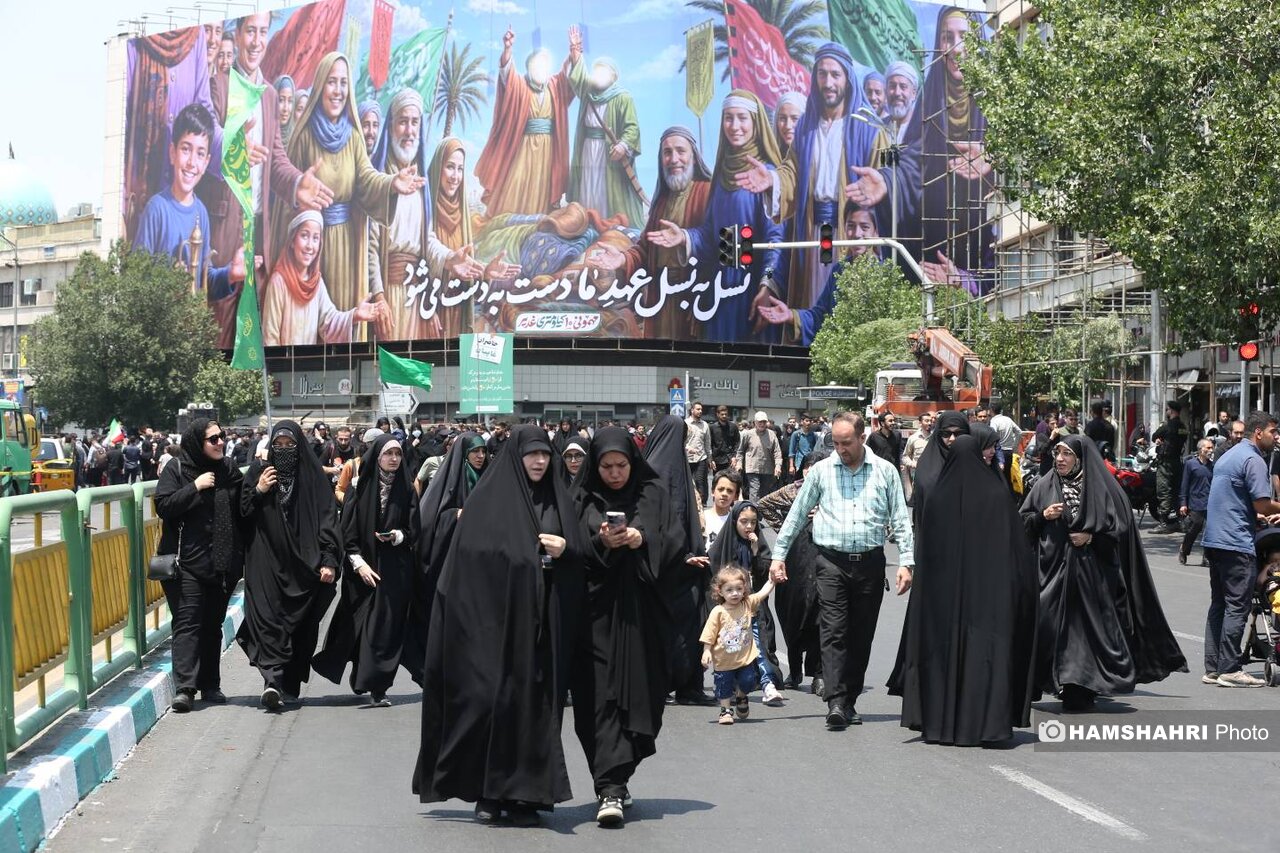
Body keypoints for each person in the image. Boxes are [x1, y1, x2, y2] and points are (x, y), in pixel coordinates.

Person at [413, 426, 584, 826]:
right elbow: (466, 561)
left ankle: (525, 796)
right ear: (515, 457)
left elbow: (581, 555)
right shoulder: (487, 500)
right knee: (488, 705)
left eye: (545, 454)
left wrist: (566, 549)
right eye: (532, 454)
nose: (539, 461)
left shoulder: (559, 499)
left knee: (531, 711)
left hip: (540, 629)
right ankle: (487, 792)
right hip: (489, 627)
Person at [888, 433, 1036, 744]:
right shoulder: (996, 494)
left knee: (943, 660)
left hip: (943, 605)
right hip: (989, 602)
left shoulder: (938, 498)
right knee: (985, 659)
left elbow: (927, 556)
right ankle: (986, 726)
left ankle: (939, 724)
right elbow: (1017, 553)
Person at [769, 412, 914, 729]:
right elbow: (797, 514)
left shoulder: (885, 471)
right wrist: (779, 555)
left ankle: (849, 700)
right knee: (833, 631)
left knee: (861, 636)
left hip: (870, 565)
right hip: (831, 563)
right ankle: (835, 701)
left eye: (846, 442)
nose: (840, 449)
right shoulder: (822, 471)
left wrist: (906, 561)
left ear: (862, 438)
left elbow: (901, 519)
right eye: (835, 442)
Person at [1020, 435, 1187, 710]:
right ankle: (1050, 680)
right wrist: (1043, 516)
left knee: (1084, 636)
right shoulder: (1044, 485)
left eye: (1067, 454)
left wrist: (1091, 537)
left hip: (1092, 579)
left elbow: (1120, 529)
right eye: (1057, 453)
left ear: (1081, 459)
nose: (1060, 459)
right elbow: (1024, 522)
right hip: (1051, 575)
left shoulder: (1101, 488)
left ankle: (1079, 687)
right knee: (1047, 630)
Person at [571, 427, 682, 827]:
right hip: (594, 617)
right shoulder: (580, 498)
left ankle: (619, 776)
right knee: (598, 698)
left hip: (642, 616)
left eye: (621, 465)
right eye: (606, 467)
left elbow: (675, 542)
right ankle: (610, 786)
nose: (615, 474)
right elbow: (570, 550)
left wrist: (641, 539)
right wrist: (601, 543)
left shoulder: (653, 494)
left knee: (643, 695)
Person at [276, 52, 424, 320]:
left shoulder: (354, 138)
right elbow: (286, 197)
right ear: (320, 85)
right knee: (309, 320)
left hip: (346, 246)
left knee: (344, 319)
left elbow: (367, 178)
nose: (338, 91)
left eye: (343, 83)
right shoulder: (303, 137)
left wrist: (392, 183)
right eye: (332, 82)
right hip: (310, 245)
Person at [645, 90, 785, 343]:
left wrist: (767, 285)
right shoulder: (721, 176)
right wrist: (684, 237)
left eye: (742, 118)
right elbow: (710, 236)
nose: (734, 126)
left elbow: (775, 239)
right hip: (720, 288)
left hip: (752, 286)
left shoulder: (765, 174)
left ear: (756, 123)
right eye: (728, 118)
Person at [367, 96, 496, 341]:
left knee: (419, 364)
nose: (409, 130)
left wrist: (449, 258)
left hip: (416, 299)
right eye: (403, 122)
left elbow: (427, 240)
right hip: (388, 296)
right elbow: (370, 248)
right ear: (391, 126)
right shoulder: (379, 180)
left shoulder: (420, 186)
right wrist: (379, 297)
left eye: (415, 122)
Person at [237, 420, 342, 710]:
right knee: (267, 618)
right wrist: (259, 490)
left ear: (299, 447)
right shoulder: (260, 472)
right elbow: (243, 513)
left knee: (300, 625)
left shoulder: (312, 477)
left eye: (290, 445)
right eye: (278, 445)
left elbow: (328, 520)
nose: (283, 450)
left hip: (304, 564)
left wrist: (329, 559)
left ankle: (289, 682)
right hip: (265, 560)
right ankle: (272, 680)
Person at [312, 434, 417, 705]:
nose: (394, 459)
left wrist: (397, 536)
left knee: (385, 628)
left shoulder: (407, 489)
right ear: (377, 456)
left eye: (398, 454)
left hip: (394, 569)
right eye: (388, 454)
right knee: (361, 625)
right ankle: (362, 673)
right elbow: (347, 532)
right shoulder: (359, 488)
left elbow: (414, 529)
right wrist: (360, 565)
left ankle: (378, 686)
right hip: (361, 569)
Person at [154, 419, 244, 712]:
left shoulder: (229, 470)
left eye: (222, 436)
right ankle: (185, 688)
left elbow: (243, 508)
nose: (220, 442)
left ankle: (210, 684)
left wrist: (259, 489)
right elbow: (163, 506)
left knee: (212, 625)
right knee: (188, 622)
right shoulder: (178, 469)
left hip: (222, 564)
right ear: (197, 442)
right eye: (213, 439)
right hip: (186, 563)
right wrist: (195, 486)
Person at [132, 103, 244, 303]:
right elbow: (135, 281)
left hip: (190, 322)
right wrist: (169, 285)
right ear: (172, 153)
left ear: (207, 162)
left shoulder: (201, 213)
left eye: (200, 153)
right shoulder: (156, 209)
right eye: (186, 149)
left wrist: (230, 274)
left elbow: (203, 281)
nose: (192, 162)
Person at [1201, 412, 1280, 687]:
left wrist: (1254, 514)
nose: (1276, 437)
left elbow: (1234, 498)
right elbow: (1262, 503)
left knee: (1219, 604)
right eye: (1273, 431)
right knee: (1237, 605)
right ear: (1258, 432)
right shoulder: (1253, 459)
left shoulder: (1229, 455)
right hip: (1235, 542)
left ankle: (1213, 668)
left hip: (1214, 539)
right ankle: (1230, 669)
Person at [475, 26, 584, 217]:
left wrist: (574, 52)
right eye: (536, 65)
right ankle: (509, 218)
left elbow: (570, 78)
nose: (540, 69)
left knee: (543, 186)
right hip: (524, 148)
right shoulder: (520, 85)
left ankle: (538, 220)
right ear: (529, 68)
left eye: (543, 65)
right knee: (517, 183)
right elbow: (507, 76)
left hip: (549, 150)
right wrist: (508, 49)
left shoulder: (555, 86)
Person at [404, 432, 488, 680]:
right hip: (451, 560)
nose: (480, 456)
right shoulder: (450, 479)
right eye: (475, 451)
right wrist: (455, 515)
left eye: (483, 451)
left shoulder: (489, 477)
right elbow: (430, 519)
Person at [643, 415, 712, 705]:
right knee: (682, 625)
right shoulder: (667, 472)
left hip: (665, 566)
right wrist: (684, 555)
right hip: (676, 566)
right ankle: (684, 685)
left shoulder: (650, 469)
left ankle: (670, 684)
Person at [757, 449, 826, 691]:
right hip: (793, 560)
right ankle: (795, 670)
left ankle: (818, 674)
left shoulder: (832, 494)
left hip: (822, 558)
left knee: (820, 614)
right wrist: (787, 527)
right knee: (791, 613)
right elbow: (763, 505)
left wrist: (824, 514)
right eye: (807, 467)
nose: (810, 471)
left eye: (815, 467)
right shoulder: (793, 490)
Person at [262, 210, 387, 344]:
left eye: (315, 238)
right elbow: (270, 336)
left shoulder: (316, 282)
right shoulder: (278, 282)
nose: (310, 246)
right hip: (285, 358)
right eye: (304, 236)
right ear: (292, 241)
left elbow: (329, 322)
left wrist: (355, 315)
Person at [706, 500, 785, 705]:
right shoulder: (723, 545)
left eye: (753, 522)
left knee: (759, 645)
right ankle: (730, 689)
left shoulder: (757, 544)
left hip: (753, 606)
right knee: (731, 649)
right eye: (744, 521)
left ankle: (768, 684)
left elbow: (764, 571)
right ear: (734, 522)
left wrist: (755, 549)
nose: (749, 526)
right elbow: (713, 572)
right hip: (729, 612)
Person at [568, 57, 645, 227]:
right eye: (596, 72)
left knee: (605, 189)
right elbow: (577, 80)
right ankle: (588, 224)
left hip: (608, 154)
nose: (599, 75)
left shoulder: (623, 97)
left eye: (603, 72)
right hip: (588, 150)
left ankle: (606, 224)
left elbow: (632, 128)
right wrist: (576, 57)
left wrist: (623, 145)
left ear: (613, 76)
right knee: (588, 185)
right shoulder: (588, 93)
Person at [700, 564, 776, 725]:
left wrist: (772, 580)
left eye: (739, 589)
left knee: (749, 681)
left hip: (745, 659)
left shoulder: (747, 604)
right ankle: (725, 710)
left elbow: (762, 593)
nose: (735, 593)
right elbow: (709, 634)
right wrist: (706, 651)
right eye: (729, 590)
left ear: (744, 589)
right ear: (720, 591)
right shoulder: (718, 612)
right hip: (723, 661)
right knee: (724, 687)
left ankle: (741, 696)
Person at [910, 411, 969, 527]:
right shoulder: (926, 465)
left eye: (958, 433)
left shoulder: (974, 465)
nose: (952, 439)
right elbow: (920, 508)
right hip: (935, 529)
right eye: (946, 433)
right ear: (938, 434)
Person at [1152, 401, 1190, 531]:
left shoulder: (1167, 426)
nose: (1166, 412)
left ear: (1172, 411)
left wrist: (1160, 440)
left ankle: (1164, 522)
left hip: (1165, 463)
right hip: (1177, 462)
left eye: (1167, 410)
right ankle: (1180, 521)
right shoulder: (1183, 427)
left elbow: (1154, 436)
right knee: (1177, 491)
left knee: (1164, 491)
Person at [1178, 438, 1214, 566]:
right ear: (1200, 449)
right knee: (1195, 527)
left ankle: (1206, 557)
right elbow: (1184, 484)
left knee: (1209, 530)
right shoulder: (1190, 464)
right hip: (1195, 502)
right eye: (1208, 448)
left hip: (1210, 502)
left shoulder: (1213, 466)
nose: (1211, 450)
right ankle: (1184, 549)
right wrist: (1183, 503)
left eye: (1212, 448)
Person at [737, 411, 782, 500]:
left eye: (764, 422)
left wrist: (778, 466)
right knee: (755, 491)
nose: (762, 424)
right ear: (755, 422)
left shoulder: (771, 435)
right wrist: (739, 463)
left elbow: (777, 452)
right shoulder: (748, 434)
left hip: (767, 469)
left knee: (764, 493)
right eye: (760, 422)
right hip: (752, 468)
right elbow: (740, 451)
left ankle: (761, 509)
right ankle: (753, 508)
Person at [702, 469, 742, 553]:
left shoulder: (738, 521)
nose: (724, 494)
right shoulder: (701, 518)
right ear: (713, 491)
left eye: (729, 491)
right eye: (720, 489)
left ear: (736, 496)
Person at [901, 410, 934, 501]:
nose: (929, 423)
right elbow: (905, 456)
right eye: (926, 421)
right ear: (920, 423)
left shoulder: (935, 438)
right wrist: (913, 464)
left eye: (930, 421)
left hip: (933, 474)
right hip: (917, 475)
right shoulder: (913, 438)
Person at [685, 402, 712, 503]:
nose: (700, 411)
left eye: (701, 409)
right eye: (698, 409)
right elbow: (680, 441)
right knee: (687, 481)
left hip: (701, 458)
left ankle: (702, 503)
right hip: (687, 458)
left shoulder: (705, 425)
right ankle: (689, 502)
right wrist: (688, 448)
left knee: (700, 481)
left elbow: (707, 443)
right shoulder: (685, 423)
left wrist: (709, 459)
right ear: (692, 410)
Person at [708, 405, 740, 481]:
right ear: (717, 414)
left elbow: (737, 442)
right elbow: (709, 444)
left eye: (726, 414)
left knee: (730, 480)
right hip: (717, 460)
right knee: (717, 481)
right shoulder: (712, 427)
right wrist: (711, 460)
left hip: (730, 459)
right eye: (722, 414)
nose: (724, 416)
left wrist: (734, 456)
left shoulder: (733, 427)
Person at [788, 414, 820, 482]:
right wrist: (791, 466)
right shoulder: (796, 434)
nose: (809, 423)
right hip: (799, 464)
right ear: (802, 422)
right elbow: (791, 451)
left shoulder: (814, 435)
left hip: (810, 464)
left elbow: (816, 450)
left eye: (810, 421)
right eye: (807, 421)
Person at [772, 92, 805, 157]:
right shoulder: (770, 157)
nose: (788, 126)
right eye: (782, 118)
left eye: (795, 118)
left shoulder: (816, 157)